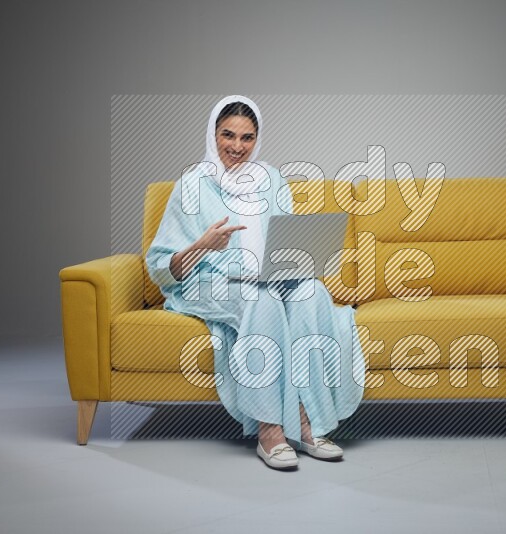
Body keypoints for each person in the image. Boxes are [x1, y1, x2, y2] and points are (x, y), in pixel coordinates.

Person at [145, 95, 365, 470]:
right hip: (209, 281)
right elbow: (161, 267)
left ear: (257, 140)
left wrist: (295, 262)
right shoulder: (192, 185)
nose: (236, 146)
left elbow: (287, 239)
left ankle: (311, 424)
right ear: (213, 134)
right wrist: (202, 245)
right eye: (227, 135)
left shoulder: (272, 179)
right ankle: (272, 430)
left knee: (312, 293)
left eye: (247, 138)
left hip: (265, 278)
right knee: (260, 303)